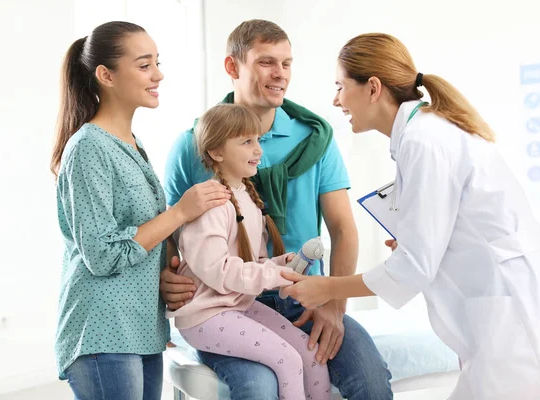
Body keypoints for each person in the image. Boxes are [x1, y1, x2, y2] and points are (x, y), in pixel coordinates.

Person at [280, 32, 540, 400]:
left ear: (372, 88)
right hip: (503, 308)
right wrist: (419, 239)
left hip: (514, 311)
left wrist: (328, 288)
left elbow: (414, 266)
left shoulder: (423, 140)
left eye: (340, 86)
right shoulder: (424, 133)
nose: (335, 100)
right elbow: (451, 233)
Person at [161, 19, 392, 400]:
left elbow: (343, 228)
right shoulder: (193, 144)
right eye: (267, 62)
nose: (280, 74)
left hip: (307, 294)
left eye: (287, 64)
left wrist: (334, 307)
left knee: (369, 377)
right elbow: (173, 231)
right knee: (256, 386)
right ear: (232, 68)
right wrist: (166, 280)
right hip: (223, 302)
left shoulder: (315, 138)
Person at [52, 21, 230, 400]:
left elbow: (140, 236)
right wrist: (180, 213)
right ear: (106, 76)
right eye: (145, 65)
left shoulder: (133, 145)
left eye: (157, 63)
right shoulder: (87, 148)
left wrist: (170, 267)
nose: (158, 75)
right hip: (102, 330)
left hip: (142, 329)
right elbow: (101, 255)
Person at [167, 103, 332, 400]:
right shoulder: (211, 204)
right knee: (289, 360)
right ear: (217, 152)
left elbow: (254, 262)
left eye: (257, 140)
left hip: (235, 305)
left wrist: (284, 264)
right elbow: (220, 271)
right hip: (206, 314)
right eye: (246, 142)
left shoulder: (249, 200)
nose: (258, 150)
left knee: (312, 356)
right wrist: (272, 274)